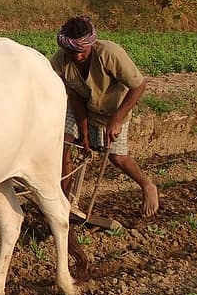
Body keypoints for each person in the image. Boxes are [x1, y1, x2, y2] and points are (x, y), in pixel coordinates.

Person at [51, 15, 159, 222]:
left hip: (114, 110)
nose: (78, 57)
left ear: (91, 44)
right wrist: (83, 132)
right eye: (72, 52)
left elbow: (139, 85)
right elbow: (74, 97)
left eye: (82, 51)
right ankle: (63, 204)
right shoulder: (59, 62)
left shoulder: (110, 54)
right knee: (63, 144)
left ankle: (147, 185)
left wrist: (117, 119)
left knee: (117, 157)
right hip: (80, 106)